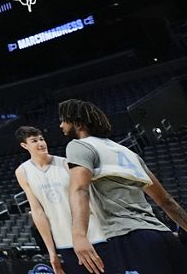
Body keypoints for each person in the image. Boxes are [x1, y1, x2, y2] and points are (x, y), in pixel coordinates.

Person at [60, 98, 187, 274]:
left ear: (78, 123)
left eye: (63, 120)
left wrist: (78, 235)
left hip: (130, 237)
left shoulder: (78, 146)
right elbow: (166, 201)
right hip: (163, 235)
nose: (60, 126)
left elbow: (80, 189)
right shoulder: (128, 152)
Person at [14, 125, 105, 274]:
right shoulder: (23, 172)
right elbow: (38, 212)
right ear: (24, 145)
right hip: (64, 241)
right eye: (34, 141)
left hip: (92, 235)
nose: (41, 143)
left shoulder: (66, 163)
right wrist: (52, 252)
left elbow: (87, 198)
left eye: (42, 139)